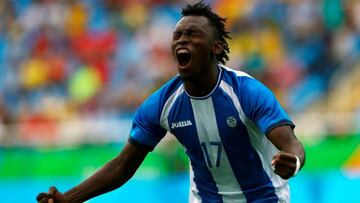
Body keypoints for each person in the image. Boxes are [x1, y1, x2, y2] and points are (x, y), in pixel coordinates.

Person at [37, 1, 305, 203]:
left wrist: (293, 161)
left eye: (192, 34)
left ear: (216, 47)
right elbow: (122, 166)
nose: (182, 40)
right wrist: (69, 198)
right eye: (177, 35)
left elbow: (291, 143)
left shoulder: (246, 92)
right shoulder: (163, 103)